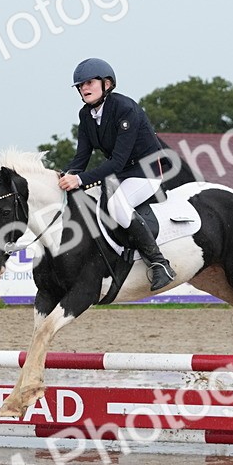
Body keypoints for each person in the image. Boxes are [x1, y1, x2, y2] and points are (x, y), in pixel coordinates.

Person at [58, 58, 176, 291]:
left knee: (118, 207)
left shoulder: (125, 109)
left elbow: (117, 161)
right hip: (121, 174)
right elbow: (82, 157)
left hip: (146, 171)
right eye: (81, 85)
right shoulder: (85, 115)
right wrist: (67, 176)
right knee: (92, 204)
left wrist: (80, 180)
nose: (84, 88)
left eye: (89, 82)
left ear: (107, 84)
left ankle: (160, 263)